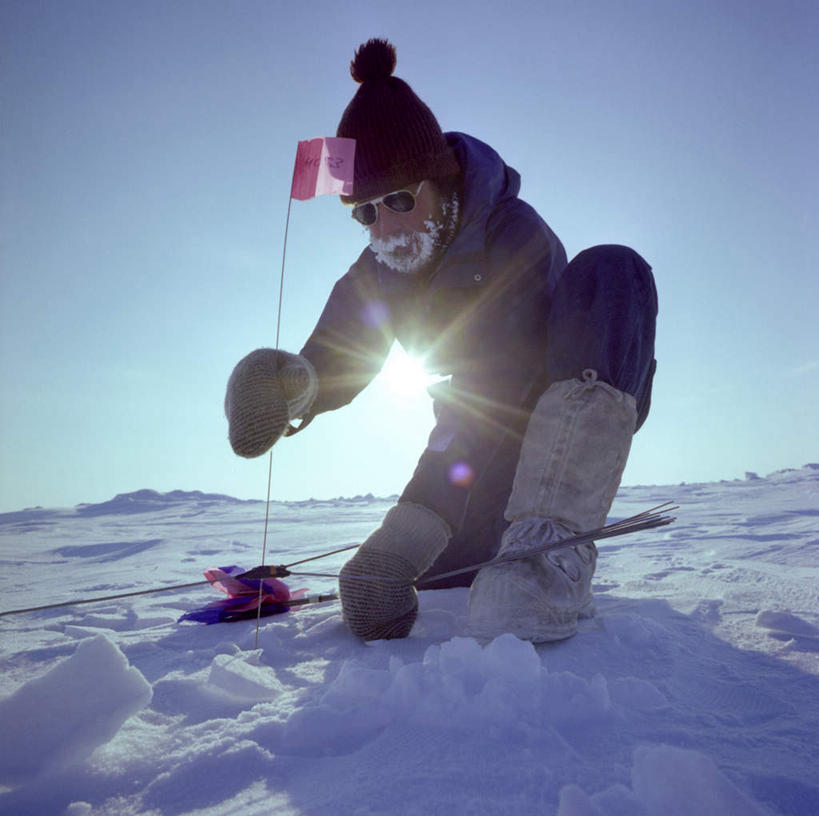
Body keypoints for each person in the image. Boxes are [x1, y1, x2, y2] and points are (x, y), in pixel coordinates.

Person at [225, 38, 657, 643]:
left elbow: (491, 393)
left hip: (550, 422)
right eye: (365, 212)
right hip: (483, 461)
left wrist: (402, 539)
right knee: (445, 576)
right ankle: (495, 548)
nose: (386, 227)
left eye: (399, 200)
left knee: (611, 271)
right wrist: (294, 385)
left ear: (440, 180)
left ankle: (553, 546)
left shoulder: (512, 237)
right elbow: (343, 349)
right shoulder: (381, 266)